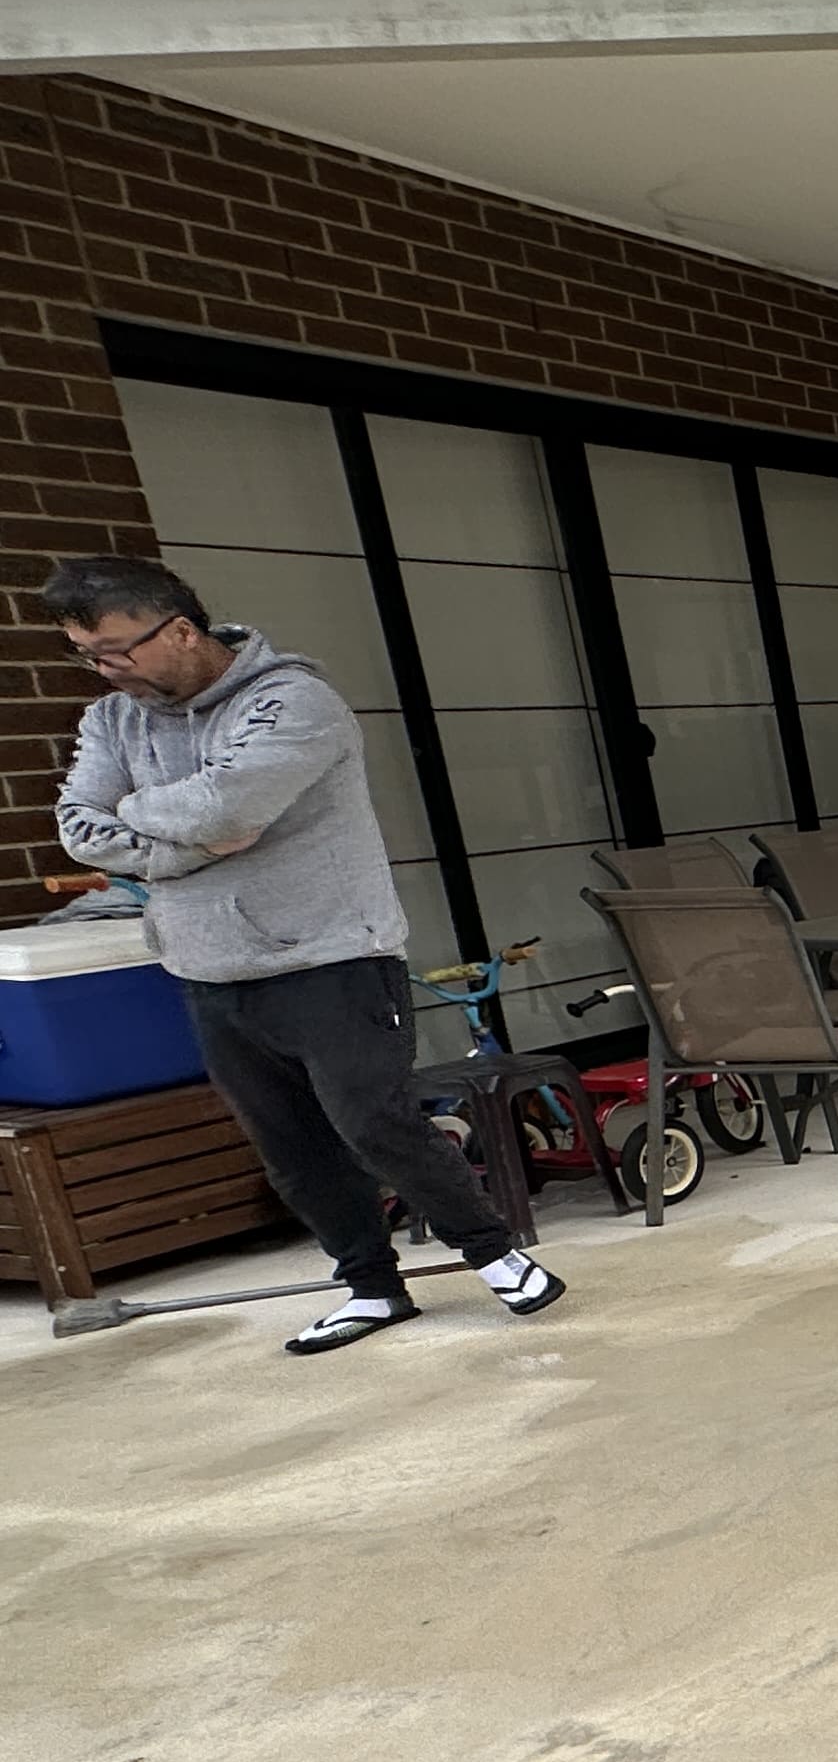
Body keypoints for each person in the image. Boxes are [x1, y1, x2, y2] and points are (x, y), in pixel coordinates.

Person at [45, 556, 566, 1352]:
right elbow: (80, 827)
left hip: (332, 957)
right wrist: (189, 843)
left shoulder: (293, 701)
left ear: (179, 631)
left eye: (116, 650)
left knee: (375, 1125)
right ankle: (371, 1287)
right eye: (87, 656)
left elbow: (230, 806)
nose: (106, 671)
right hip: (205, 966)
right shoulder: (113, 720)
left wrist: (141, 812)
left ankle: (495, 1254)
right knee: (289, 1148)